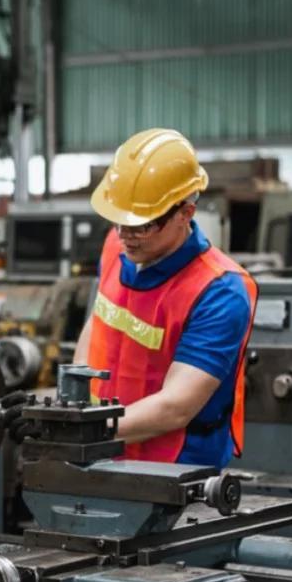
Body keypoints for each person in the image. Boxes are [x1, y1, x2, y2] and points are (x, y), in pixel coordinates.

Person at [74, 128, 258, 467]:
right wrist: (69, 405)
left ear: (185, 213)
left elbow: (175, 407)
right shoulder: (118, 246)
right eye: (119, 222)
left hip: (171, 468)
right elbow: (99, 321)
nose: (126, 236)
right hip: (100, 448)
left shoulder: (219, 292)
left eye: (141, 225)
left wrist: (79, 430)